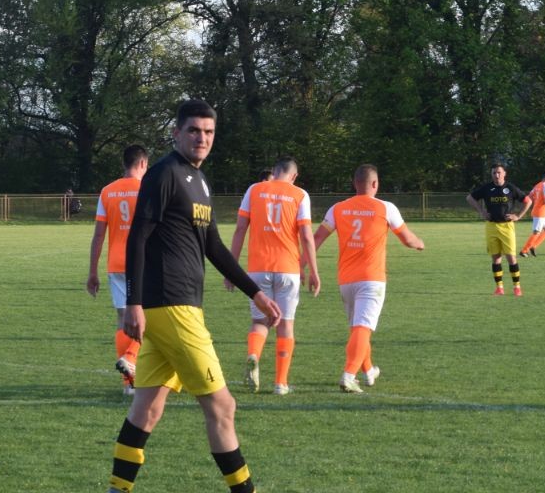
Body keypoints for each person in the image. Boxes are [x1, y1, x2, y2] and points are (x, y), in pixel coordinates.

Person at [105, 99, 282, 493]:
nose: (202, 138)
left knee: (147, 409)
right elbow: (138, 237)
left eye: (208, 132)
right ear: (176, 133)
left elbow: (213, 246)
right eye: (194, 131)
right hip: (171, 306)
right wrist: (133, 302)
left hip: (179, 307)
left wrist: (255, 293)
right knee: (223, 406)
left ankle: (117, 489)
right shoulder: (164, 173)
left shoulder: (200, 181)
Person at [313, 164, 424, 393]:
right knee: (362, 328)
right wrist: (419, 243)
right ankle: (348, 375)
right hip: (372, 279)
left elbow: (316, 239)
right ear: (375, 184)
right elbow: (407, 239)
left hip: (346, 280)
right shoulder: (386, 207)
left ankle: (369, 370)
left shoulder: (338, 208)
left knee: (358, 329)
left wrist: (302, 265)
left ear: (354, 183)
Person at [225, 156, 320, 395]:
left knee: (260, 321)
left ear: (274, 171)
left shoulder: (254, 190)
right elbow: (306, 236)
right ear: (294, 176)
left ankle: (253, 355)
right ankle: (280, 383)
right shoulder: (300, 194)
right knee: (285, 325)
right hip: (288, 268)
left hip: (257, 270)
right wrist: (313, 271)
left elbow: (240, 229)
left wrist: (231, 269)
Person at [87, 144, 150, 395]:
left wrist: (92, 272)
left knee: (123, 319)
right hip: (143, 263)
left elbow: (98, 235)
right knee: (148, 317)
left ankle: (129, 384)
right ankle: (131, 357)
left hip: (116, 264)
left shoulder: (107, 191)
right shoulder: (147, 189)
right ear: (143, 164)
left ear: (124, 163)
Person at [466, 162, 531, 296]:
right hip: (491, 226)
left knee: (511, 257)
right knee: (496, 258)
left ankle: (517, 287)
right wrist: (481, 211)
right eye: (494, 173)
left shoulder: (510, 188)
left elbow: (528, 201)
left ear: (504, 174)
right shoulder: (487, 188)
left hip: (507, 226)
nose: (496, 175)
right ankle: (499, 288)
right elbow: (470, 198)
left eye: (499, 172)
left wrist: (518, 216)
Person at [520, 172, 545, 257]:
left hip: (540, 213)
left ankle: (533, 246)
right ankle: (524, 251)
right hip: (540, 213)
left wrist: (537, 200)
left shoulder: (537, 185)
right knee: (536, 232)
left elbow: (530, 196)